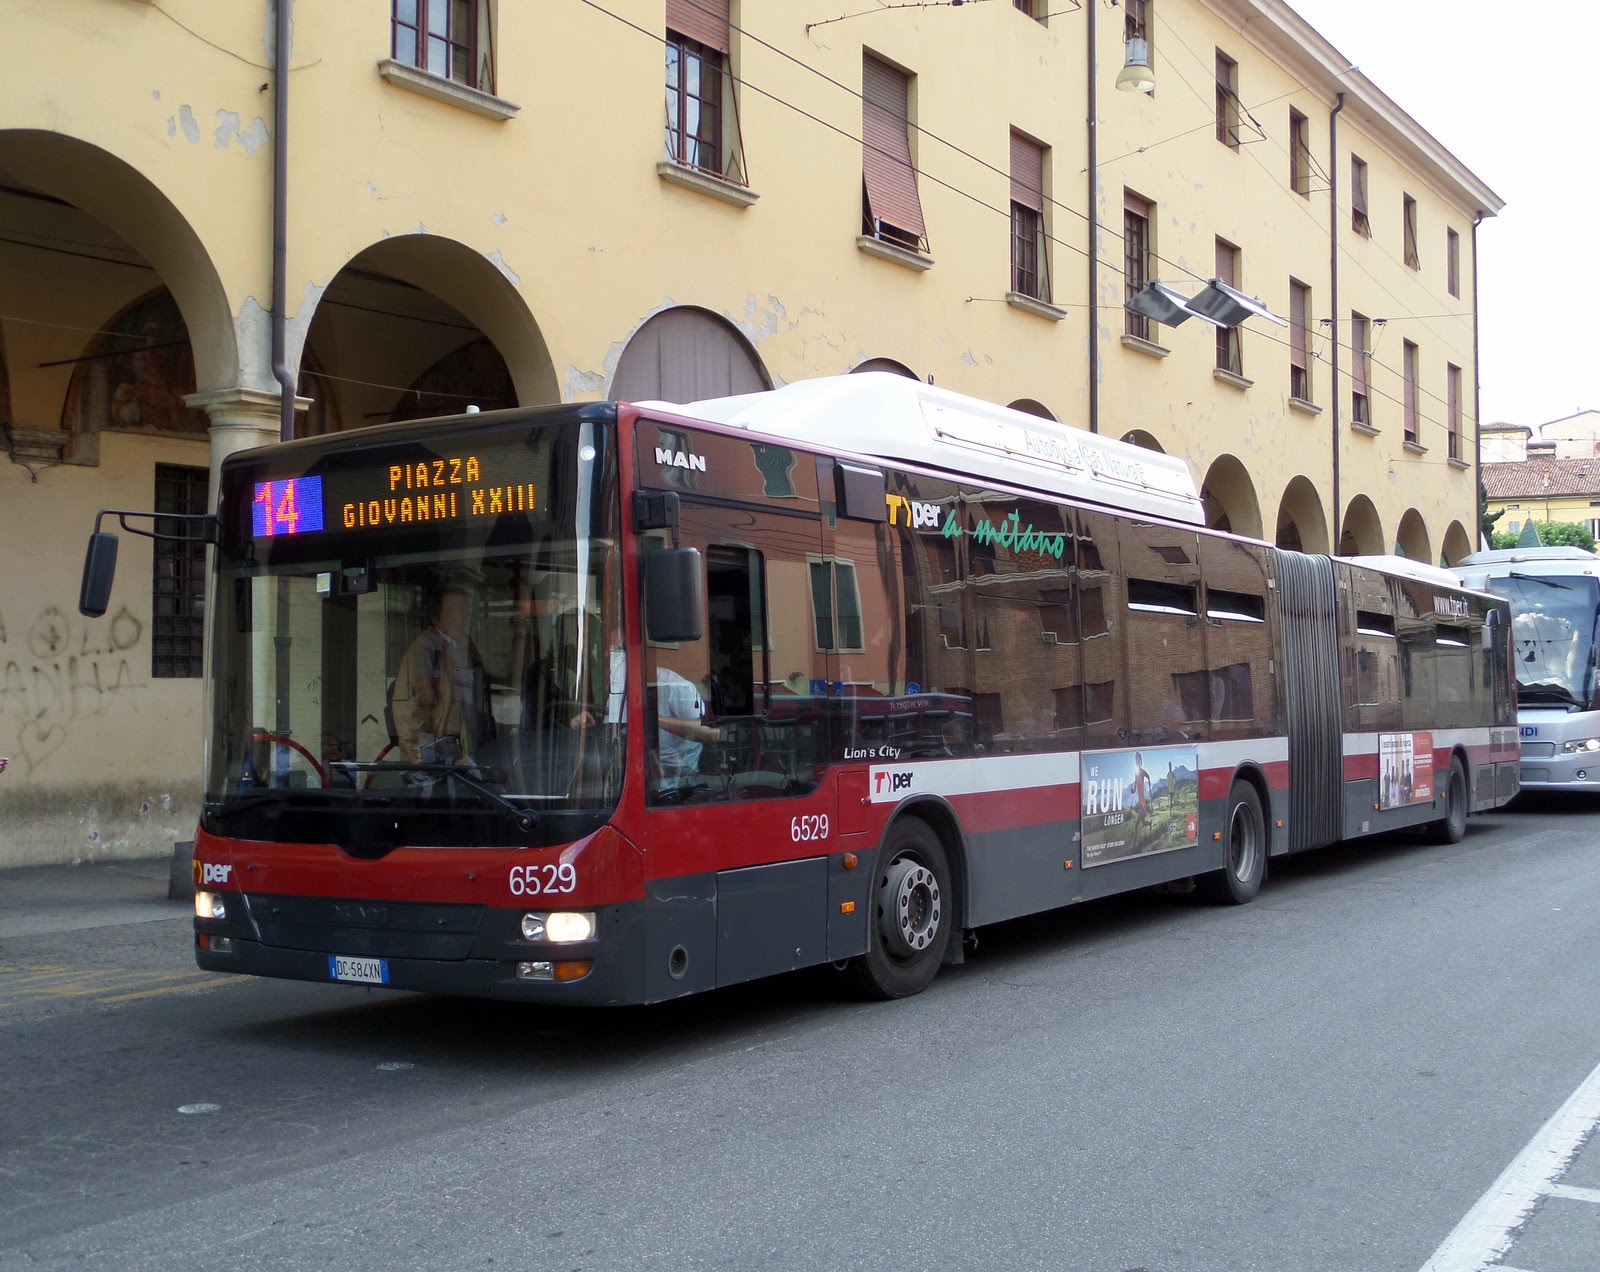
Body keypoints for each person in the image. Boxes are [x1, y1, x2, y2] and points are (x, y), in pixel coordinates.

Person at [390, 583, 495, 765]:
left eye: (465, 611)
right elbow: (409, 714)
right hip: (443, 763)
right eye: (454, 611)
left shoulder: (464, 646)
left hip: (468, 756)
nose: (462, 618)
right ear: (435, 617)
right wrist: (430, 762)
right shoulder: (425, 650)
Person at [1131, 751, 1151, 847]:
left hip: (1142, 804)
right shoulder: (1136, 772)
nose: (1137, 761)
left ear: (1140, 761)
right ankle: (1150, 824)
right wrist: (1133, 790)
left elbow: (1148, 776)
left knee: (1136, 826)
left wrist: (1150, 788)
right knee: (1143, 824)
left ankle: (1134, 847)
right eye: (1136, 759)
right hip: (1140, 803)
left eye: (1138, 759)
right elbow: (1135, 786)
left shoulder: (1141, 771)